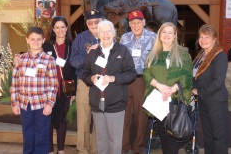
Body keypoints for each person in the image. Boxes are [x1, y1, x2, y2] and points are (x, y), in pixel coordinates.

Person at [82, 19, 136, 154]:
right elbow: (85, 73)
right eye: (102, 32)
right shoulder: (93, 52)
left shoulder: (122, 51)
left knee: (115, 141)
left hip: (115, 103)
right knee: (101, 140)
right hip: (97, 103)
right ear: (98, 34)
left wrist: (113, 78)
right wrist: (91, 78)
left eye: (108, 31)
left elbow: (131, 74)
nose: (105, 34)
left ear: (113, 33)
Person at [143, 22, 193, 154]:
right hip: (159, 101)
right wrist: (160, 86)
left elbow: (188, 75)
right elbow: (146, 73)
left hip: (174, 101)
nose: (167, 35)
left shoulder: (183, 53)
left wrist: (172, 89)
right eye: (164, 32)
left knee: (173, 139)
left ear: (175, 35)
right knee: (164, 137)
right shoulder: (153, 53)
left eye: (170, 32)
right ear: (159, 35)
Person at [10, 27, 58, 154]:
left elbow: (53, 84)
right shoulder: (20, 60)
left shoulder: (49, 60)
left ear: (43, 40)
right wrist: (15, 103)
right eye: (32, 39)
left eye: (38, 39)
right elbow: (15, 83)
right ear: (27, 40)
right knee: (28, 134)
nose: (35, 42)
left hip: (42, 104)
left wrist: (50, 104)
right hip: (25, 104)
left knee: (42, 135)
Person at [120, 10, 156, 154]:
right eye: (133, 23)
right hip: (125, 81)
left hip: (142, 80)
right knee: (125, 114)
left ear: (144, 22)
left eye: (139, 22)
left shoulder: (153, 38)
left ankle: (138, 147)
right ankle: (124, 146)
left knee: (141, 116)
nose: (136, 25)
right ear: (129, 24)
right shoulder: (124, 38)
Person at [192, 24, 229, 154]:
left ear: (214, 39)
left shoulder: (219, 56)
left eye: (206, 37)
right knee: (208, 135)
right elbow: (195, 76)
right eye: (201, 37)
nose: (203, 40)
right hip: (204, 101)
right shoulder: (200, 55)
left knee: (218, 136)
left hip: (216, 101)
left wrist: (199, 92)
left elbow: (218, 82)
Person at [42, 16, 76, 154]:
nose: (60, 30)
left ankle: (60, 149)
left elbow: (75, 71)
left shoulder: (72, 47)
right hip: (48, 90)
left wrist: (73, 92)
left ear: (67, 28)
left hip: (65, 89)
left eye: (63, 27)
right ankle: (50, 149)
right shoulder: (46, 46)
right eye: (57, 27)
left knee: (62, 119)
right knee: (49, 120)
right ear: (53, 29)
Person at [70, 9, 102, 154]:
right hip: (85, 83)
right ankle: (82, 149)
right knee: (83, 118)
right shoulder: (81, 39)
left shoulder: (108, 37)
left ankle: (96, 150)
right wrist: (88, 55)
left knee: (99, 119)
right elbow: (73, 61)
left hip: (103, 84)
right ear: (87, 24)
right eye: (90, 22)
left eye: (97, 21)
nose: (94, 24)